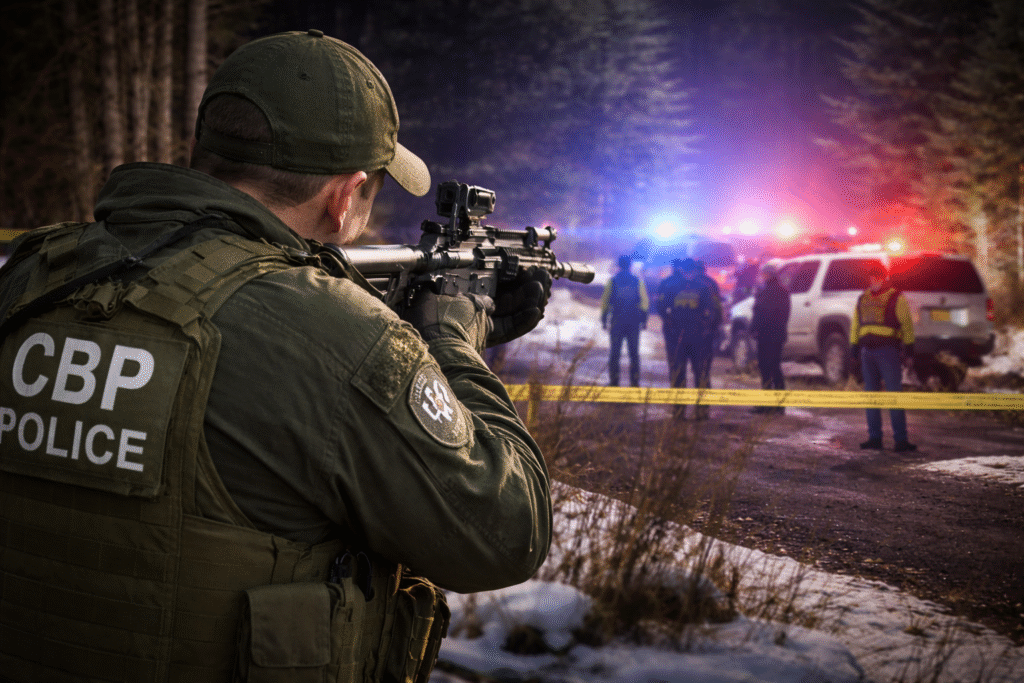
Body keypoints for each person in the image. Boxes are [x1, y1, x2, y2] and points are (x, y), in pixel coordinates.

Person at [0, 30, 552, 680]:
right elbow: (505, 533)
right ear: (345, 196)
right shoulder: (335, 336)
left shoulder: (36, 272)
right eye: (372, 189)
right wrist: (453, 346)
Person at [850, 262, 917, 452]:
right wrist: (853, 349)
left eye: (877, 277)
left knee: (894, 396)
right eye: (871, 278)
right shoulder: (862, 298)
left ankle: (901, 441)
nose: (874, 281)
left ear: (884, 278)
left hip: (888, 351)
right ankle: (875, 439)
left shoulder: (896, 297)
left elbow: (906, 325)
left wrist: (909, 351)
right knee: (871, 397)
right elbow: (856, 325)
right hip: (867, 352)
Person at [656, 257, 722, 418]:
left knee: (700, 373)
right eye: (686, 271)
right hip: (679, 335)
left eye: (691, 271)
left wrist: (708, 326)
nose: (689, 274)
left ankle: (702, 410)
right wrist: (668, 322)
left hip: (697, 336)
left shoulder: (703, 287)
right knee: (680, 373)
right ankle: (680, 410)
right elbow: (661, 307)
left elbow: (712, 309)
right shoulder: (673, 286)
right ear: (682, 271)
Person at [600, 254, 649, 386]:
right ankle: (634, 382)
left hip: (617, 321)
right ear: (630, 266)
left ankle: (614, 381)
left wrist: (604, 319)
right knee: (634, 354)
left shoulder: (612, 281)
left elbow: (605, 301)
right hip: (633, 322)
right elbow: (644, 302)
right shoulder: (638, 281)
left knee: (615, 353)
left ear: (619, 266)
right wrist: (644, 320)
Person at [749, 263, 790, 415]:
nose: (762, 276)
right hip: (775, 335)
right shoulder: (780, 291)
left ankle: (773, 405)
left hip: (767, 335)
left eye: (764, 274)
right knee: (772, 368)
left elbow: (762, 312)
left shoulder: (769, 292)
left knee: (768, 369)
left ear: (769, 275)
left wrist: (754, 328)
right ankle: (776, 405)